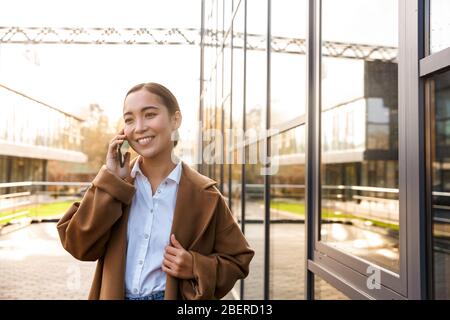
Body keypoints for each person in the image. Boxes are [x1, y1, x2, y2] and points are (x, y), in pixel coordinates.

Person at [57, 82, 254, 300]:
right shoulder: (116, 186)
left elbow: (238, 259)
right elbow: (78, 245)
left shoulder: (205, 194)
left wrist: (195, 266)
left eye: (149, 115)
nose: (139, 127)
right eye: (129, 119)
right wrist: (110, 182)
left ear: (175, 120)